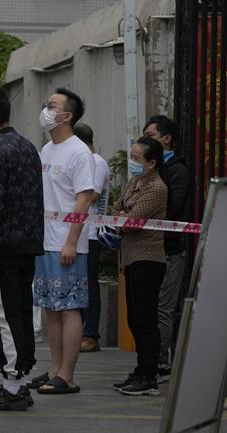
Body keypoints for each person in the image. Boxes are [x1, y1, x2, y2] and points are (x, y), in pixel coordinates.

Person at [0, 87, 44, 411]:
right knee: (19, 313)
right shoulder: (28, 146)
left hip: (3, 246)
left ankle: (13, 385)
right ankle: (18, 379)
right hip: (28, 243)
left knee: (2, 316)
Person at [28, 88, 95, 394]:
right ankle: (55, 369)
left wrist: (71, 242)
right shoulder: (47, 149)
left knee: (69, 308)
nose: (46, 109)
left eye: (52, 106)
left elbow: (83, 201)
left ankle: (66, 375)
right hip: (45, 241)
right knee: (51, 308)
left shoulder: (79, 152)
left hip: (67, 244)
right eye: (46, 104)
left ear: (67, 116)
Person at [112, 136, 168, 396]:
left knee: (145, 319)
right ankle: (140, 369)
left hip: (149, 259)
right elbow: (117, 208)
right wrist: (122, 214)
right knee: (134, 317)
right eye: (132, 157)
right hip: (131, 257)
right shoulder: (136, 181)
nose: (132, 163)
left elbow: (129, 220)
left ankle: (149, 375)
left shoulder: (156, 188)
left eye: (137, 159)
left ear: (152, 163)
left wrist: (123, 215)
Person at [143, 115, 189, 382]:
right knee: (148, 307)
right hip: (149, 248)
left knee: (163, 308)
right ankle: (147, 362)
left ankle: (160, 362)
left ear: (166, 139)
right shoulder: (153, 169)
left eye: (151, 135)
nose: (146, 140)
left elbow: (173, 208)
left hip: (169, 248)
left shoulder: (176, 171)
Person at [73, 123, 110, 353]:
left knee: (89, 284)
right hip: (78, 232)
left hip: (91, 233)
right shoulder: (84, 160)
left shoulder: (96, 162)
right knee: (79, 284)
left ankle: (91, 334)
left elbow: (92, 196)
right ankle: (81, 331)